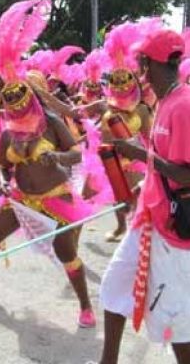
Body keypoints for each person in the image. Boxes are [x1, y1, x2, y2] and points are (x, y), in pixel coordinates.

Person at [0, 0, 96, 329]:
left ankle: (86, 306)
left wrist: (58, 156)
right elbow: (6, 166)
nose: (16, 111)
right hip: (21, 198)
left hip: (55, 197)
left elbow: (78, 152)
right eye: (10, 106)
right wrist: (5, 183)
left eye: (21, 104)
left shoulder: (50, 121)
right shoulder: (7, 132)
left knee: (67, 255)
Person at [98, 29, 190, 364]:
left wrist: (138, 155)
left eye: (142, 61)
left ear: (152, 62)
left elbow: (186, 173)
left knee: (175, 320)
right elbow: (164, 164)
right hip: (149, 216)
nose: (140, 69)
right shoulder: (164, 102)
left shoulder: (184, 106)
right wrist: (143, 184)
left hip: (175, 229)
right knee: (113, 287)